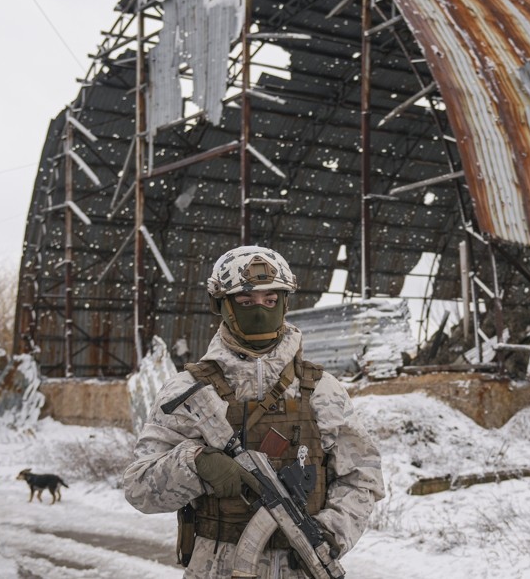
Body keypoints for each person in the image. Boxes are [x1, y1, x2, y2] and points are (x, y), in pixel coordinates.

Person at [123, 245, 384, 578]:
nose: (259, 310)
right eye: (246, 302)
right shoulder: (190, 389)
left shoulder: (321, 388)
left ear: (284, 302)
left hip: (300, 567)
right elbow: (139, 489)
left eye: (270, 300)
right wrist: (195, 465)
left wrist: (329, 535)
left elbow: (362, 477)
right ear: (221, 305)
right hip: (217, 569)